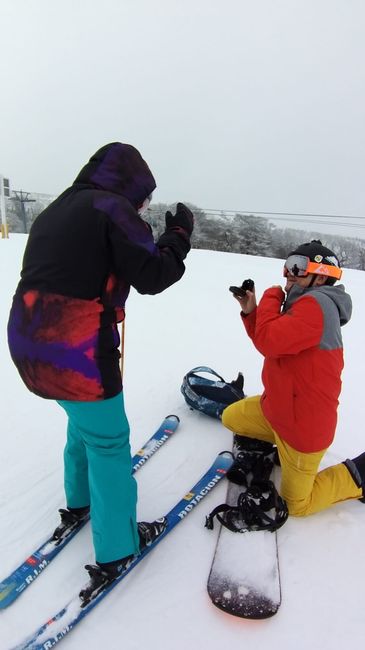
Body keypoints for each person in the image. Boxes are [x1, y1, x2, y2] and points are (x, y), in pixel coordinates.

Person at [7, 142, 194, 598]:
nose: (143, 205)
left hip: (28, 342)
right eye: (143, 196)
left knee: (81, 422)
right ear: (131, 184)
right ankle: (117, 548)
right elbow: (152, 274)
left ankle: (79, 502)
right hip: (77, 350)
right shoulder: (112, 207)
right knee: (109, 445)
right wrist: (179, 236)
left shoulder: (58, 209)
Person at [222, 240, 365, 517]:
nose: (287, 274)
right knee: (231, 418)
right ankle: (274, 442)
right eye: (287, 266)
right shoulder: (300, 303)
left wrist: (271, 296)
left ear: (321, 275)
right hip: (275, 410)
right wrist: (253, 312)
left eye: (297, 267)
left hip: (303, 430)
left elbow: (268, 341)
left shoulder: (317, 304)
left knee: (297, 505)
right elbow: (271, 342)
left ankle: (359, 474)